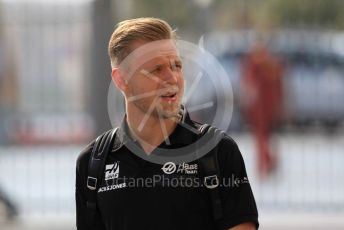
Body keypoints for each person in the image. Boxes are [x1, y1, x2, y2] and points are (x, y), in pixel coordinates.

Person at [76, 17, 258, 230]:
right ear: (121, 79)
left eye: (176, 66)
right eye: (156, 69)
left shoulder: (218, 152)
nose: (172, 78)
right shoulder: (92, 163)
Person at [241, 41, 284, 177]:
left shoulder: (257, 63)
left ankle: (266, 164)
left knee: (261, 137)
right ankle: (268, 162)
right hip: (267, 105)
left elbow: (249, 84)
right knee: (265, 136)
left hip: (261, 106)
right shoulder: (272, 64)